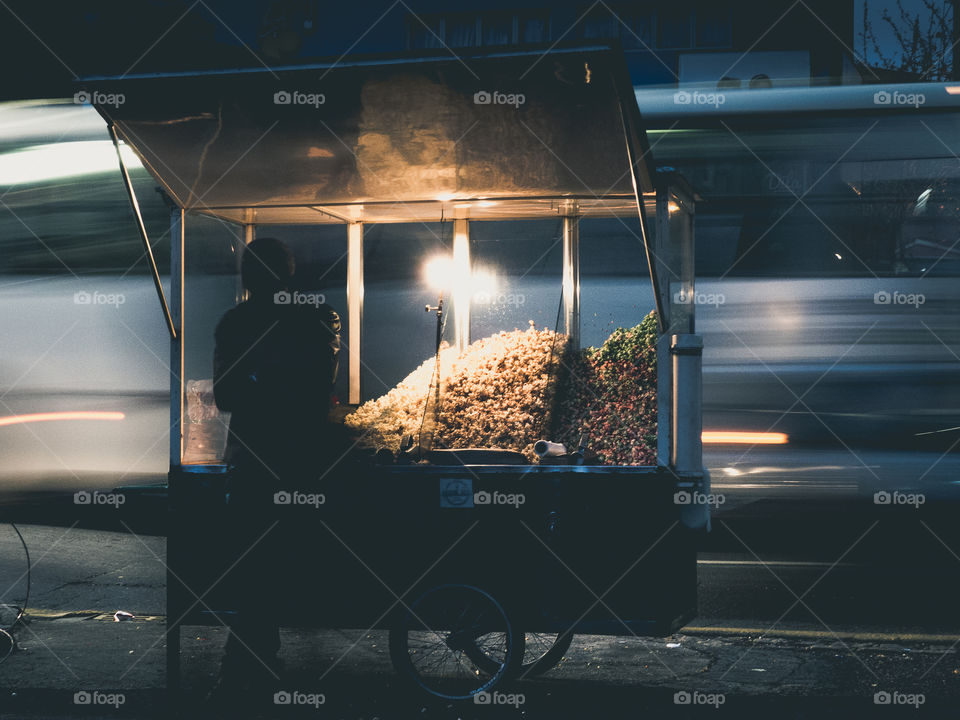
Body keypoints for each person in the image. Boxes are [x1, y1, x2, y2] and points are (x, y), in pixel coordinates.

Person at [209, 237, 340, 700]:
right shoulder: (313, 322)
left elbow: (228, 395)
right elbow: (315, 395)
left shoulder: (236, 324)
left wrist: (257, 381)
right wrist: (282, 385)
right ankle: (253, 661)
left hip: (251, 465)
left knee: (254, 567)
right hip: (297, 465)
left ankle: (244, 666)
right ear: (288, 274)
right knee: (269, 566)